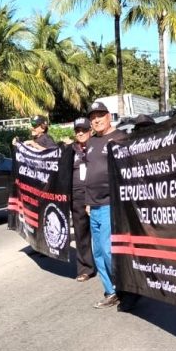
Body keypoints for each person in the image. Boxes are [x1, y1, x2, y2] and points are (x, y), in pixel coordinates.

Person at [84, 101, 133, 310]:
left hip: (110, 203)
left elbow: (129, 168)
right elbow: (89, 171)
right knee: (97, 254)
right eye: (93, 117)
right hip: (93, 205)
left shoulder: (120, 137)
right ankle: (111, 291)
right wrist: (87, 202)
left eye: (100, 115)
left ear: (109, 117)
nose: (96, 120)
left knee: (107, 249)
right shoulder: (91, 142)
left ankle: (128, 288)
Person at [70, 117, 95, 283]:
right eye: (78, 130)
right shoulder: (70, 150)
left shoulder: (99, 146)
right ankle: (86, 268)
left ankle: (111, 266)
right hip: (77, 196)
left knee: (103, 235)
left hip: (97, 196)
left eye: (84, 130)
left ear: (90, 131)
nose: (80, 133)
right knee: (81, 234)